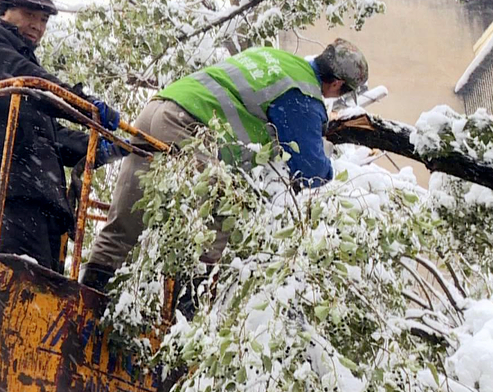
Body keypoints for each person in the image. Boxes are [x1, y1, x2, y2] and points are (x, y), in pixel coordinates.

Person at [81, 39, 369, 291]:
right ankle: (188, 311)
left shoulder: (277, 59)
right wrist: (331, 158)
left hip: (158, 108)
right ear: (338, 85)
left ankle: (87, 298)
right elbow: (310, 172)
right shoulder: (304, 95)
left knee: (126, 221)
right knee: (222, 211)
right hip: (189, 126)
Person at [0, 0, 126, 273]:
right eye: (30, 15)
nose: (38, 26)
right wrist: (82, 102)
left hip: (42, 202)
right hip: (9, 193)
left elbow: (49, 137)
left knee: (44, 296)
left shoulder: (26, 76)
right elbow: (33, 82)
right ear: (5, 11)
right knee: (19, 286)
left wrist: (100, 148)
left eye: (43, 20)